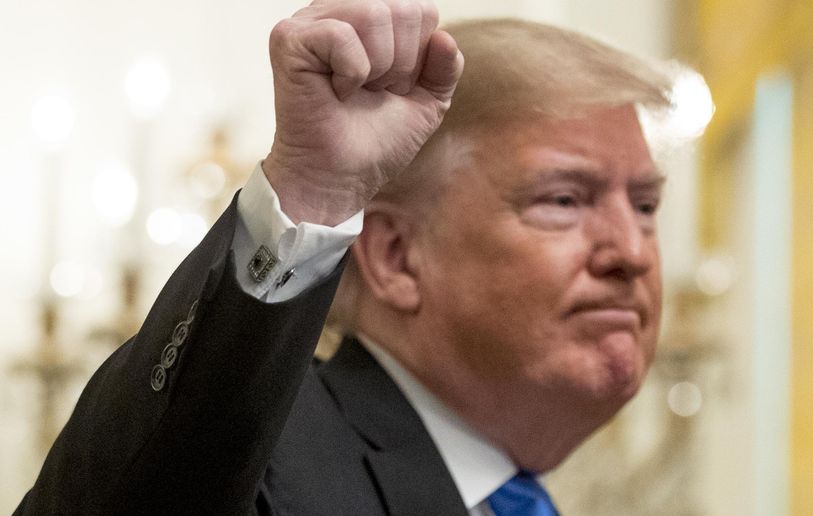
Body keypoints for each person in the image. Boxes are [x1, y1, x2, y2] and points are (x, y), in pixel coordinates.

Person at [16, 0, 674, 514]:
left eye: (645, 206)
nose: (631, 251)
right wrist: (315, 190)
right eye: (563, 200)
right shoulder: (259, 462)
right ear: (395, 257)